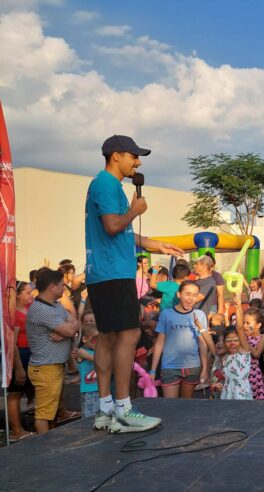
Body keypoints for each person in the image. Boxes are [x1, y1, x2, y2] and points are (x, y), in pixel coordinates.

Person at [86, 135, 183, 433]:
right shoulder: (106, 183)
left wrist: (157, 245)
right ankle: (124, 409)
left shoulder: (107, 185)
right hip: (114, 273)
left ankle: (104, 410)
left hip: (103, 273)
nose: (137, 162)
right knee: (128, 335)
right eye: (133, 156)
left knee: (108, 337)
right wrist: (135, 211)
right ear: (116, 156)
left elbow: (123, 231)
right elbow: (114, 225)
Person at [26, 270, 81, 434]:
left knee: (51, 411)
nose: (64, 288)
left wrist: (66, 329)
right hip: (45, 368)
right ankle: (45, 449)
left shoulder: (55, 305)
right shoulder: (41, 310)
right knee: (44, 414)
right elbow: (72, 330)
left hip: (53, 366)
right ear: (51, 287)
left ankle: (51, 443)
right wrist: (68, 329)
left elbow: (75, 321)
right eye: (62, 285)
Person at [150, 281, 211, 400]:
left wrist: (204, 369)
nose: (191, 298)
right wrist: (152, 371)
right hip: (169, 367)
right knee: (170, 406)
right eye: (187, 294)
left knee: (186, 405)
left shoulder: (200, 315)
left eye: (195, 295)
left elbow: (203, 343)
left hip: (193, 367)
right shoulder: (166, 314)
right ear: (179, 294)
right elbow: (159, 343)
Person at [6, 281, 35, 441]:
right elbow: (13, 343)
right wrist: (18, 367)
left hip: (30, 352)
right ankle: (17, 431)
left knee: (26, 390)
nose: (31, 295)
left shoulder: (29, 308)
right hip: (20, 354)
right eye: (27, 292)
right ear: (17, 294)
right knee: (15, 393)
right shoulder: (13, 313)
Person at [215, 295, 255, 400]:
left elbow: (240, 328)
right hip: (227, 394)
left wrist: (238, 308)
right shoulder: (225, 358)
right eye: (228, 341)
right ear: (224, 343)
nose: (232, 343)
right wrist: (221, 385)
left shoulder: (244, 351)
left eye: (236, 340)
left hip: (242, 395)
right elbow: (228, 379)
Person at [77, 322, 100, 418]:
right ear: (85, 339)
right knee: (89, 416)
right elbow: (97, 359)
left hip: (101, 389)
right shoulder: (82, 351)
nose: (98, 342)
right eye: (94, 340)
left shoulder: (97, 351)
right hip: (89, 391)